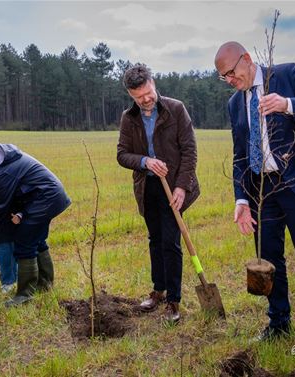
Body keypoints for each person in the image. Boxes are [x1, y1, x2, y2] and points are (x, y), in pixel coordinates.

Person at [214, 41, 295, 351]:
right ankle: (279, 322)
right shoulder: (235, 103)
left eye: (231, 73)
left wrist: (288, 104)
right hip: (263, 191)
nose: (230, 81)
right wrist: (242, 198)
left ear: (246, 59)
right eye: (223, 77)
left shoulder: (288, 75)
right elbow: (240, 155)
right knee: (270, 261)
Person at [117, 64, 200, 324]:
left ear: (154, 84)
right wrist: (144, 161)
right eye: (139, 96)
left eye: (149, 93)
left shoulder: (176, 109)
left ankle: (174, 301)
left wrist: (181, 186)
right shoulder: (128, 118)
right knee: (155, 239)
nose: (146, 99)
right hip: (148, 188)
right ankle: (158, 291)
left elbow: (189, 151)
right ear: (131, 95)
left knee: (171, 242)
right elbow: (122, 154)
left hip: (174, 186)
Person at [0, 138, 71, 307]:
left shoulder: (1, 169)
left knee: (24, 242)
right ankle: (44, 286)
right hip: (44, 196)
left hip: (45, 198)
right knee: (36, 240)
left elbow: (2, 205)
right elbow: (0, 191)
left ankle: (25, 295)